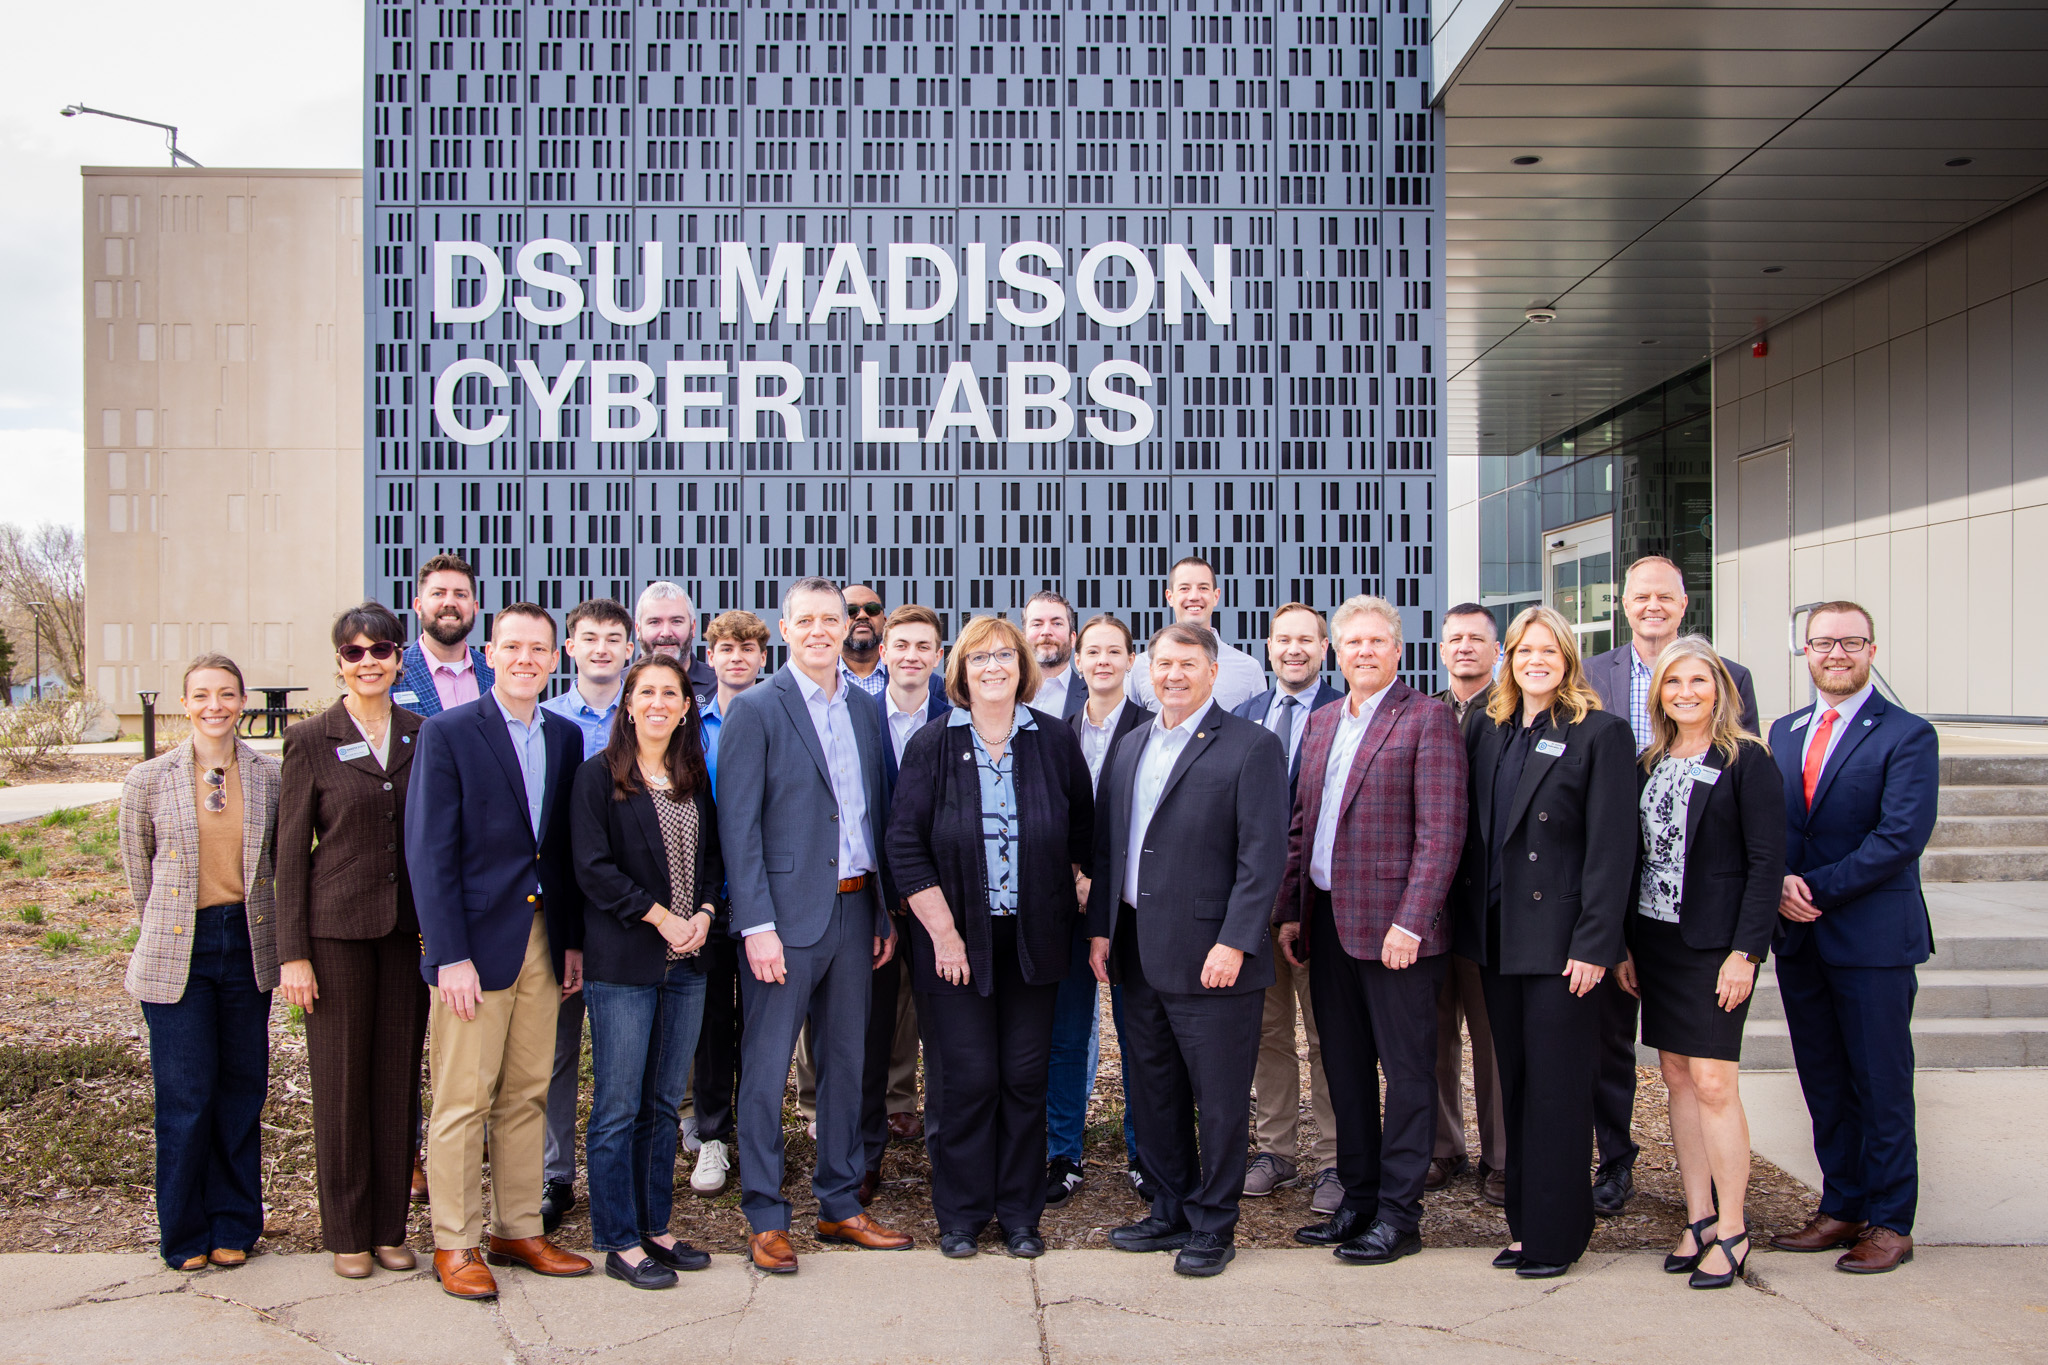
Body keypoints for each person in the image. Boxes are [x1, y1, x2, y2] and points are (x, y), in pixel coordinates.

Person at [716, 578, 912, 1273]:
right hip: (784, 918)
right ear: (786, 627)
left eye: (834, 618)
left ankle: (838, 1201)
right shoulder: (757, 709)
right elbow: (738, 828)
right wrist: (756, 924)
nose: (824, 629)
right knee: (767, 1070)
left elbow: (874, 811)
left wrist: (883, 907)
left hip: (856, 909)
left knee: (848, 1066)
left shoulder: (864, 707)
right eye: (810, 620)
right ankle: (766, 1215)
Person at [887, 616, 1095, 1258]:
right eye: (981, 658)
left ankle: (1019, 1214)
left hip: (1034, 942)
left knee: (1025, 1078)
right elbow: (904, 845)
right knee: (965, 1078)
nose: (995, 667)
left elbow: (1084, 835)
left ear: (1024, 665)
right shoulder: (932, 745)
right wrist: (944, 935)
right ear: (962, 671)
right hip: (954, 946)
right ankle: (961, 1213)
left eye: (1006, 655)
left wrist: (1079, 889)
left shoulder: (1056, 742)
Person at [1087, 623, 1290, 1278]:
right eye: (1163, 663)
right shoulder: (1131, 744)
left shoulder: (1251, 746)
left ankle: (1212, 1223)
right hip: (1138, 952)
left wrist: (1235, 939)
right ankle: (1169, 1208)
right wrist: (1100, 929)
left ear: (1212, 671)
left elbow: (1263, 858)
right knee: (1154, 1092)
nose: (1172, 674)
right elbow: (1111, 846)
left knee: (1221, 1098)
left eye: (1187, 663)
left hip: (1214, 957)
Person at [407, 603, 591, 1300]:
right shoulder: (450, 734)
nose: (524, 658)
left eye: (537, 649)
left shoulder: (567, 737)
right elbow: (429, 853)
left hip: (543, 944)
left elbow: (562, 853)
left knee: (526, 1093)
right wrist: (448, 954)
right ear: (490, 652)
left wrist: (571, 942)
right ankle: (455, 1240)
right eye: (512, 645)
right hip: (474, 950)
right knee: (462, 1098)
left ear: (554, 659)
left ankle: (518, 1228)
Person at [1277, 597, 1467, 1266]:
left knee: (1407, 1073)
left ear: (1397, 649)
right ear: (1337, 651)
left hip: (1397, 933)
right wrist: (1293, 909)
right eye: (1352, 641)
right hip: (1328, 922)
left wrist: (1412, 920)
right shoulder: (1324, 722)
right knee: (1345, 1068)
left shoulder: (1427, 719)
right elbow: (1302, 825)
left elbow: (1442, 834)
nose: (1363, 651)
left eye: (1375, 641)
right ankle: (1357, 1198)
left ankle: (1398, 1214)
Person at [1450, 605, 1635, 1279]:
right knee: (1518, 1084)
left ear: (1567, 660)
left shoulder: (1599, 733)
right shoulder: (1489, 729)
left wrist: (1596, 944)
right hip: (1498, 940)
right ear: (1510, 659)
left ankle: (1558, 1234)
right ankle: (1526, 1225)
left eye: (1547, 650)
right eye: (1524, 650)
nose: (1534, 660)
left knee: (1558, 1090)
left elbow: (1613, 852)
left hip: (1563, 945)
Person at [1581, 555, 1759, 1216]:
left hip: (1705, 923)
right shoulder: (1595, 675)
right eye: (1640, 596)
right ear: (1623, 603)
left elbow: (1751, 820)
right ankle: (1621, 1163)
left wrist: (1746, 944)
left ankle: (1724, 1215)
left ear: (1684, 604)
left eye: (1665, 596)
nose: (1652, 605)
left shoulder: (1735, 700)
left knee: (1702, 1073)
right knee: (1630, 1051)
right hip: (1629, 906)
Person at [1765, 602, 1938, 1275]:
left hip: (1871, 940)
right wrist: (1778, 880)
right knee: (1826, 1081)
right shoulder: (1784, 731)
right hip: (1801, 940)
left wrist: (1813, 888)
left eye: (1850, 641)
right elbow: (1772, 824)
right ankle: (1843, 1202)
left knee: (1881, 1082)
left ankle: (1892, 1220)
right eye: (1822, 641)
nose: (1835, 652)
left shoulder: (1907, 734)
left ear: (1871, 647)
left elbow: (1899, 838)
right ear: (1804, 650)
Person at [1612, 637, 1785, 1290]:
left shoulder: (1747, 760)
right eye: (1673, 682)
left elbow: (1767, 864)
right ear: (1659, 693)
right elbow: (1635, 858)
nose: (1686, 691)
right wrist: (1626, 943)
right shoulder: (1648, 760)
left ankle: (1735, 1228)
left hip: (1716, 948)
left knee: (1715, 1082)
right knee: (1677, 1078)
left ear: (1720, 689)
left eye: (1698, 681)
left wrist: (1746, 952)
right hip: (1656, 942)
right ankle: (1700, 1216)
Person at [275, 604, 429, 1280]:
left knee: (396, 1081)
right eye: (354, 650)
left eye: (381, 649)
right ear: (339, 660)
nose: (368, 660)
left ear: (399, 658)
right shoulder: (312, 738)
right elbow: (287, 856)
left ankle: (390, 1224)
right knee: (342, 1085)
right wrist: (293, 954)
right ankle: (346, 1231)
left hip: (403, 934)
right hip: (333, 935)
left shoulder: (424, 733)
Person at [118, 654, 281, 1272]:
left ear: (243, 702)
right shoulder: (149, 780)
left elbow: (277, 863)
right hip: (175, 950)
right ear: (184, 704)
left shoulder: (269, 775)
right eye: (202, 695)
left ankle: (234, 1222)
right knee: (186, 1097)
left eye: (227, 694)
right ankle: (183, 1231)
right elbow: (140, 870)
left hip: (246, 944)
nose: (215, 705)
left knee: (242, 1090)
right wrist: (166, 925)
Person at [570, 655, 723, 1290]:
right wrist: (664, 918)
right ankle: (618, 1238)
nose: (658, 702)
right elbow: (594, 869)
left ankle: (655, 1227)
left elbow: (715, 858)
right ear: (628, 704)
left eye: (671, 693)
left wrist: (708, 913)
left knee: (662, 1104)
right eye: (646, 692)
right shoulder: (596, 777)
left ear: (687, 705)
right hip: (627, 963)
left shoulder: (692, 778)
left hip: (689, 962)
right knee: (617, 1106)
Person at [1231, 602, 1343, 1209]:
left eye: (1306, 640)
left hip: (1320, 907)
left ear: (1324, 649)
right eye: (1283, 640)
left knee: (1328, 1036)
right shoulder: (1244, 714)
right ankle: (1277, 1151)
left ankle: (1333, 1159)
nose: (1294, 649)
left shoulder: (1344, 712)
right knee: (1267, 1033)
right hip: (1254, 906)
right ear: (1269, 648)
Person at [535, 597, 637, 1234]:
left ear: (630, 647)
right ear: (567, 649)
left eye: (613, 638)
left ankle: (619, 1173)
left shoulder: (652, 710)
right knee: (556, 1053)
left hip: (634, 913)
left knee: (628, 1056)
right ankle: (554, 1175)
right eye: (589, 638)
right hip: (566, 908)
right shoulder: (548, 722)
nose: (601, 648)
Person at [1046, 614, 1151, 1209]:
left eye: (1116, 651)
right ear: (1078, 662)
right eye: (1094, 652)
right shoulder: (1053, 730)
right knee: (1066, 1034)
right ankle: (1064, 1154)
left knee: (1140, 1037)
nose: (1104, 661)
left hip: (1133, 906)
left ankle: (1145, 1154)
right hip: (1066, 902)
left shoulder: (1151, 726)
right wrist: (1075, 876)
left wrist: (1102, 883)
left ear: (1130, 660)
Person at [686, 608, 770, 1195]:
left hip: (767, 890)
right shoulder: (689, 723)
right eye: (725, 648)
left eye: (748, 648)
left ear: (764, 658)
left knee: (764, 1022)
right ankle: (712, 1134)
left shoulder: (777, 715)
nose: (737, 657)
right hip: (705, 892)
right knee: (712, 1020)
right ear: (708, 657)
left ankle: (760, 1136)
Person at [1431, 604, 1507, 1205]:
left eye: (1476, 639)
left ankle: (1501, 1156)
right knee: (1432, 1033)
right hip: (1428, 904)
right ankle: (1441, 1147)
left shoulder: (1511, 715)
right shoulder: (1427, 711)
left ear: (1495, 648)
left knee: (1492, 1035)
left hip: (1488, 904)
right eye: (1454, 638)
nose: (1464, 648)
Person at [1126, 557, 1265, 713]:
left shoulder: (1248, 669)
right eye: (1184, 588)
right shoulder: (1138, 667)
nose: (1194, 596)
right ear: (1170, 597)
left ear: (1216, 596)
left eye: (1203, 588)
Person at [395, 553, 495, 718]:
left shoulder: (495, 674)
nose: (449, 602)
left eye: (460, 595)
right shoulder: (393, 674)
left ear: (475, 608)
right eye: (438, 593)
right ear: (418, 607)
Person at [635, 581, 717, 694]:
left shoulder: (719, 685)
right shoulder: (620, 686)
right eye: (654, 622)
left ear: (693, 627)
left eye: (676, 621)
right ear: (638, 629)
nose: (666, 632)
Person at [1022, 590, 1086, 722]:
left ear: (1073, 638)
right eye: (1037, 624)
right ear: (1022, 638)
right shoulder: (1005, 692)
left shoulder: (1092, 696)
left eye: (1057, 623)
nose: (1046, 632)